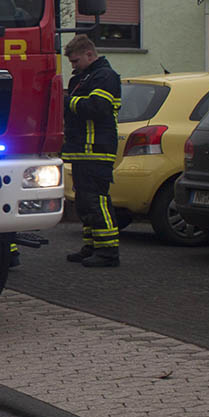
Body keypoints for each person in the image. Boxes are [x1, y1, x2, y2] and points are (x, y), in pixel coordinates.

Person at [61, 35, 122, 267]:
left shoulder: (104, 76)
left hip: (96, 149)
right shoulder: (85, 77)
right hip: (83, 150)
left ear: (89, 54)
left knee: (96, 200)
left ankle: (108, 252)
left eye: (76, 61)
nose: (73, 66)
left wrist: (66, 102)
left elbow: (97, 107)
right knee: (85, 202)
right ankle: (92, 246)